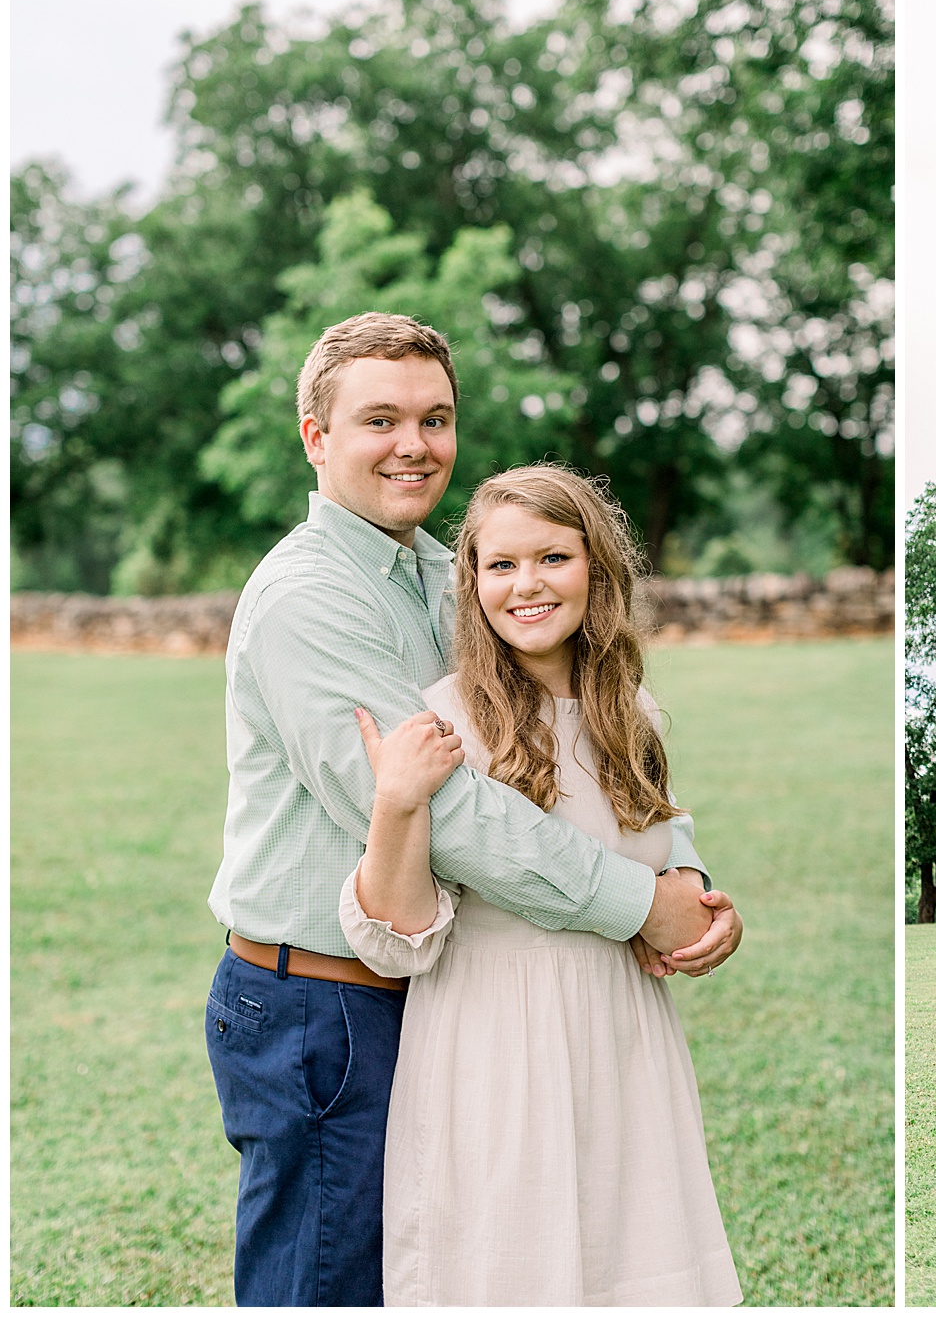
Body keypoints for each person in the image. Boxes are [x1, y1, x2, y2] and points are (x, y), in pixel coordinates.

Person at [203, 312, 743, 1306]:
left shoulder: (455, 573)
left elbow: (586, 732)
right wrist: (640, 902)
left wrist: (683, 872)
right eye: (380, 420)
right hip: (322, 1001)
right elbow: (450, 814)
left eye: (435, 417)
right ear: (317, 436)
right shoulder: (308, 598)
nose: (413, 444)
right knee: (328, 1286)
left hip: (441, 993)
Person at [337, 464, 743, 1305]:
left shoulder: (631, 711)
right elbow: (401, 925)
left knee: (629, 1260)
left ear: (596, 566)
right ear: (471, 580)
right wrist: (399, 799)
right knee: (514, 1270)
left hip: (622, 1030)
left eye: (553, 557)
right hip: (495, 1039)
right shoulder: (445, 719)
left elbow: (662, 839)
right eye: (501, 564)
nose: (527, 585)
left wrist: (703, 902)